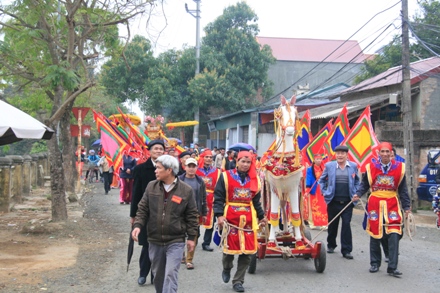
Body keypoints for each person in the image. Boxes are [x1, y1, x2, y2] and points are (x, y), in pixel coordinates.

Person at [132, 155, 199, 293]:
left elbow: (192, 216)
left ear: (169, 170)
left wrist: (192, 238)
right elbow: (143, 209)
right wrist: (137, 226)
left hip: (175, 240)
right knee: (158, 276)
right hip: (154, 240)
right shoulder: (151, 187)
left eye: (158, 168)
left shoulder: (186, 190)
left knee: (170, 274)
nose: (155, 171)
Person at [352, 142, 411, 277]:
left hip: (392, 203)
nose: (385, 154)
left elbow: (403, 189)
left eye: (387, 152)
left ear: (391, 153)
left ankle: (392, 266)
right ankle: (374, 263)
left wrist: (407, 206)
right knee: (375, 233)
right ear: (378, 153)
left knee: (395, 232)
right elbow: (364, 184)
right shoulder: (371, 167)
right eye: (382, 151)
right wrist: (358, 194)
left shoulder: (400, 168)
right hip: (375, 203)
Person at [213, 151, 267, 293]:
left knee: (247, 253)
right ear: (237, 161)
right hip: (230, 217)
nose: (245, 164)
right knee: (229, 251)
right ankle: (227, 268)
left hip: (249, 219)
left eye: (248, 162)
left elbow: (256, 201)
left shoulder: (255, 179)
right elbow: (218, 197)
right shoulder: (225, 176)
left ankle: (238, 281)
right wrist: (219, 215)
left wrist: (261, 217)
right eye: (243, 161)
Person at [130, 139, 165, 286]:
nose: (158, 151)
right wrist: (134, 215)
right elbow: (136, 193)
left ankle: (155, 275)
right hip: (146, 213)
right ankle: (143, 273)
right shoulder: (140, 169)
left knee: (160, 245)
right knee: (147, 245)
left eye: (161, 149)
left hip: (164, 213)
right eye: (155, 149)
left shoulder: (170, 169)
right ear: (149, 151)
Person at [318, 145, 360, 259]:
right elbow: (321, 180)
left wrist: (357, 192)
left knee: (346, 225)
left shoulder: (353, 166)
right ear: (335, 155)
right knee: (332, 224)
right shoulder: (329, 166)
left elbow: (357, 181)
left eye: (342, 153)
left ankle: (346, 250)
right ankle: (331, 245)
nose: (340, 155)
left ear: (347, 155)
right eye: (338, 153)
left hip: (348, 201)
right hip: (333, 200)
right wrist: (325, 192)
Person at [178, 157, 207, 269]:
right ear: (184, 167)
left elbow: (204, 198)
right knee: (180, 235)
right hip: (180, 212)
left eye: (193, 166)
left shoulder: (200, 181)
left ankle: (189, 260)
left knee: (193, 235)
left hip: (194, 212)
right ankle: (181, 255)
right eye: (188, 166)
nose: (191, 169)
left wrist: (204, 213)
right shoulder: (179, 180)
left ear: (196, 168)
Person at [196, 150, 221, 252]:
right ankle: (195, 238)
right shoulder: (196, 170)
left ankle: (206, 243)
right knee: (196, 220)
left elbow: (219, 187)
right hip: (197, 197)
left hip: (211, 199)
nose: (209, 159)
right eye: (207, 157)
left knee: (210, 222)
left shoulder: (217, 172)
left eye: (211, 157)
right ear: (202, 158)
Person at [304, 153, 328, 229]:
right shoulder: (310, 169)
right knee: (313, 206)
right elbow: (308, 178)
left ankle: (323, 223)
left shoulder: (324, 168)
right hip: (314, 189)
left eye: (320, 159)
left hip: (321, 189)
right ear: (314, 160)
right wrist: (308, 188)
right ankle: (312, 223)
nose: (319, 160)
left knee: (323, 206)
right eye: (317, 159)